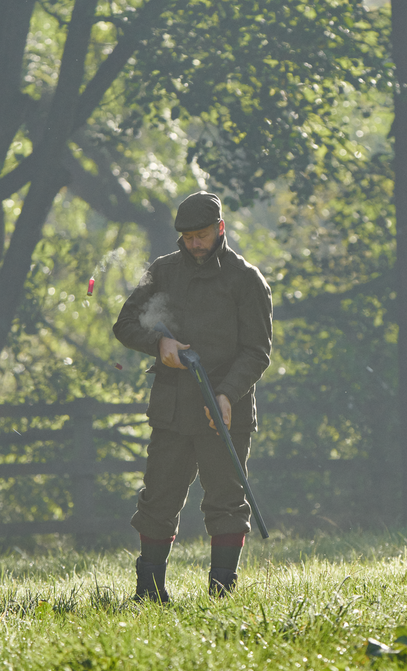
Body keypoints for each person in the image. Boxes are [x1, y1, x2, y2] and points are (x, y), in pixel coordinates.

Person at [113, 190, 273, 601]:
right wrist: (159, 346)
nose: (194, 244)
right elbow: (125, 324)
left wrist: (226, 394)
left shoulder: (247, 280)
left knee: (225, 504)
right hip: (171, 406)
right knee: (157, 500)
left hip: (227, 408)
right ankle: (148, 594)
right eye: (187, 237)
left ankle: (222, 595)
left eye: (201, 235)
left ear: (220, 229)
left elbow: (257, 352)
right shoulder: (164, 271)